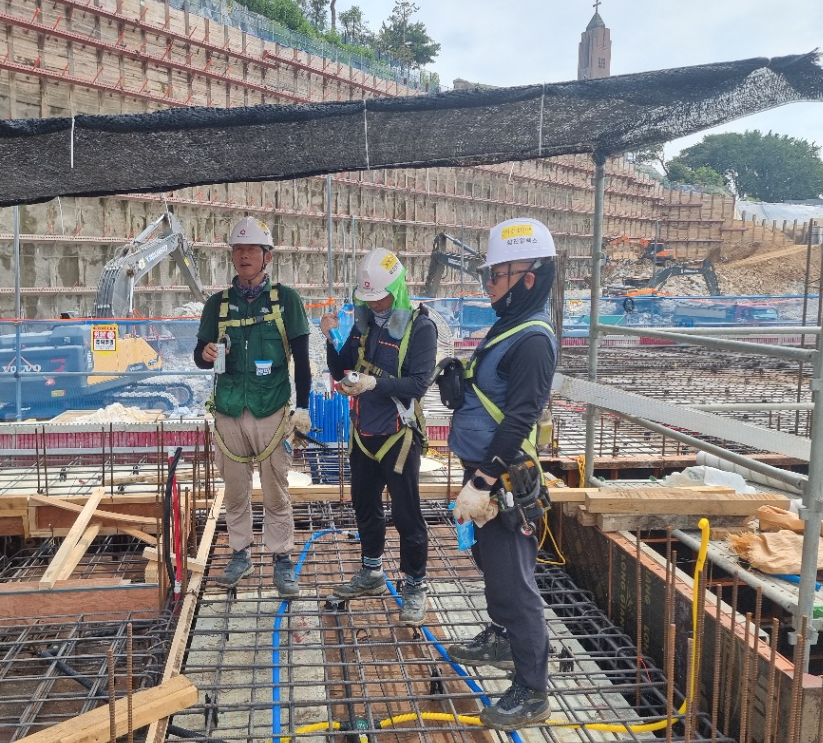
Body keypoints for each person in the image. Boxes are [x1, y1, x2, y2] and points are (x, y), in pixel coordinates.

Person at [447, 217, 558, 731]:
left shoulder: (533, 339)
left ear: (527, 277)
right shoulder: (509, 324)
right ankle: (502, 639)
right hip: (485, 472)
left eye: (495, 275)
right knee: (491, 564)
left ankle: (533, 691)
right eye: (487, 274)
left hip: (503, 478)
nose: (488, 283)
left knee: (515, 583)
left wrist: (484, 480)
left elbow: (520, 416)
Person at [194, 216, 312, 599]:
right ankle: (240, 554)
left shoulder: (285, 301)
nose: (244, 255)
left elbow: (303, 361)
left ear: (267, 257)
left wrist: (303, 408)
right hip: (229, 409)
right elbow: (199, 356)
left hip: (271, 409)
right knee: (235, 489)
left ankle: (282, 558)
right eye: (238, 249)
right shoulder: (218, 305)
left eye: (251, 250)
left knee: (276, 489)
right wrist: (205, 353)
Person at [319, 248, 438, 626]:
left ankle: (415, 585)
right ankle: (371, 571)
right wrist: (330, 337)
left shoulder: (420, 327)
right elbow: (342, 368)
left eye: (380, 297)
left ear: (397, 289)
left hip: (397, 435)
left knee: (406, 513)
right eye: (367, 297)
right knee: (365, 505)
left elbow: (418, 384)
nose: (374, 304)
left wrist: (373, 384)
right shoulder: (365, 322)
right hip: (364, 433)